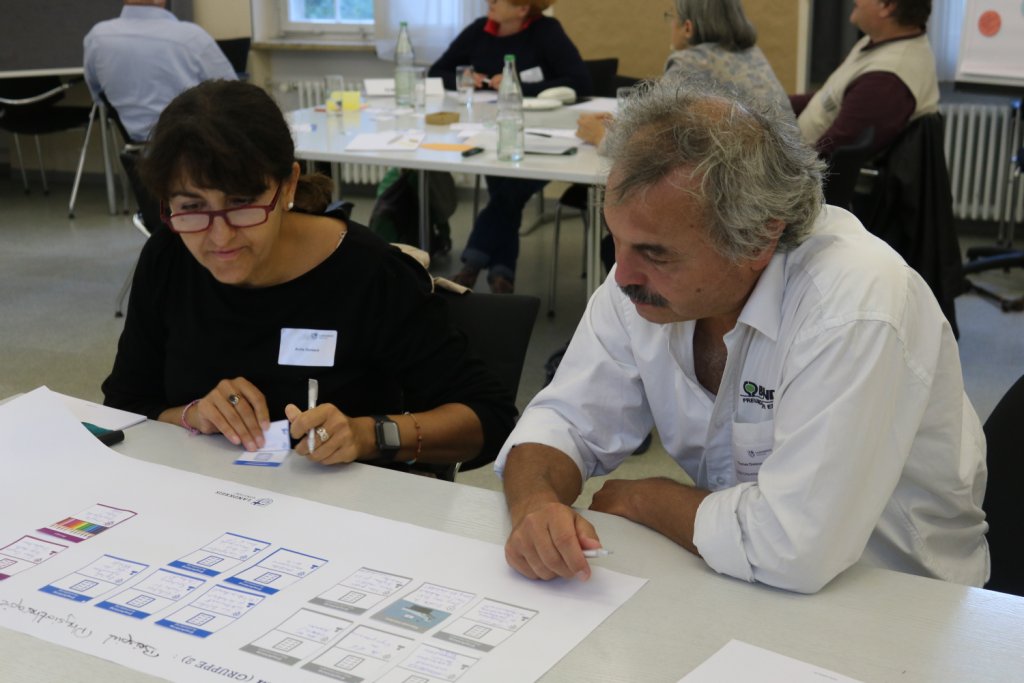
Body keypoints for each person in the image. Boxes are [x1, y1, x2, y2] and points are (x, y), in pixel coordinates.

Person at [496, 76, 989, 594]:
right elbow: (565, 420)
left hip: (896, 594)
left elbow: (793, 546)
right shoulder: (646, 280)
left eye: (655, 253)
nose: (621, 275)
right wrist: (536, 504)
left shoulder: (854, 304)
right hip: (732, 571)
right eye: (615, 239)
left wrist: (646, 498)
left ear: (758, 238)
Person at [102, 80, 516, 472]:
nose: (220, 235)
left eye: (242, 203)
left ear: (288, 187)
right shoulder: (169, 256)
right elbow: (124, 404)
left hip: (345, 513)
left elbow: (489, 416)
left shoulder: (368, 273)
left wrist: (369, 433)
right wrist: (193, 415)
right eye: (191, 207)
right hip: (210, 503)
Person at [428, 0, 591, 293]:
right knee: (507, 194)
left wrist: (515, 85)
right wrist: (466, 78)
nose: (489, 3)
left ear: (522, 9)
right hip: (493, 130)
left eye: (498, 0)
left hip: (546, 135)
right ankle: (501, 274)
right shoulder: (480, 29)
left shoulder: (546, 31)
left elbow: (579, 81)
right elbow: (436, 71)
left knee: (507, 192)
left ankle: (473, 264)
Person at [577, 0, 790, 148]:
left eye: (672, 16)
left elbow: (650, 145)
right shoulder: (751, 54)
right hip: (786, 185)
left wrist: (601, 135)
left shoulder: (689, 64)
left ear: (687, 28)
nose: (670, 24)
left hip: (745, 197)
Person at [789, 0, 938, 157]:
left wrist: (779, 162)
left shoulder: (886, 80)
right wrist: (774, 105)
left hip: (809, 173)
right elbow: (830, 97)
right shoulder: (875, 42)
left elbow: (830, 154)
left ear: (887, 6)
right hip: (801, 154)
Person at [83, 0, 237, 143]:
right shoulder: (192, 38)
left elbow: (99, 98)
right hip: (196, 154)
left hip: (137, 156)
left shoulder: (97, 38)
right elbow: (234, 99)